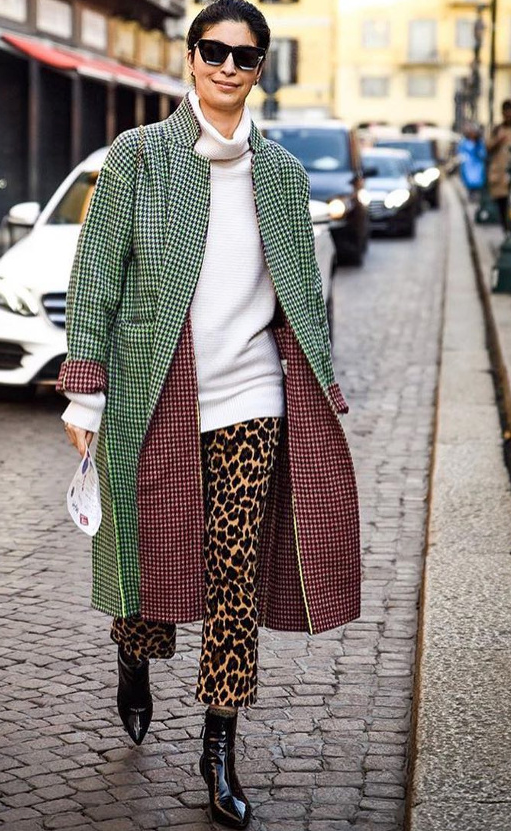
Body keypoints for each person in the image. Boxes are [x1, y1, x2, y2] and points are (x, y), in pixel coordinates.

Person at [57, 1, 360, 827]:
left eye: (245, 55)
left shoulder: (283, 175)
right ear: (190, 58)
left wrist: (320, 386)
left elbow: (302, 293)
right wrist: (85, 387)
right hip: (154, 390)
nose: (229, 66)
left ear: (260, 68)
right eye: (215, 51)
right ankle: (133, 655)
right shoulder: (139, 157)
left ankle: (218, 745)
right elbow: (96, 276)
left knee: (235, 574)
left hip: (251, 400)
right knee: (147, 557)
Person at [487, 100, 511, 232]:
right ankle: (506, 232)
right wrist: (498, 140)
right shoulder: (497, 130)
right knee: (502, 204)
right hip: (500, 174)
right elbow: (488, 147)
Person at [458, 123, 486, 202]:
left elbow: (483, 154)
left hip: (478, 167)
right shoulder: (464, 143)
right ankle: (471, 196)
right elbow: (461, 154)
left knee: (477, 185)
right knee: (469, 185)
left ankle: (476, 198)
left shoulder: (479, 143)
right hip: (468, 167)